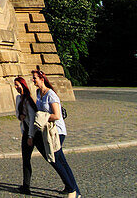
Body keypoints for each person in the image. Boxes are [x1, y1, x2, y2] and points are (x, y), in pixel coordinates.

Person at [32, 69, 81, 198]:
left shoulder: (51, 95)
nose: (33, 80)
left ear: (42, 79)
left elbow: (57, 115)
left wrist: (42, 117)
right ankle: (73, 189)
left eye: (35, 78)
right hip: (47, 131)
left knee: (54, 159)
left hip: (57, 131)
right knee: (61, 161)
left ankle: (72, 191)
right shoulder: (38, 93)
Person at [14, 76, 45, 194]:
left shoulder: (28, 99)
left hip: (34, 133)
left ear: (23, 85)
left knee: (49, 158)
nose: (16, 87)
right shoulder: (18, 98)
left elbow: (32, 118)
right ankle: (26, 186)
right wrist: (19, 117)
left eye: (18, 85)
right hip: (25, 132)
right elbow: (17, 113)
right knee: (26, 159)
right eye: (15, 85)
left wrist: (31, 136)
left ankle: (68, 183)